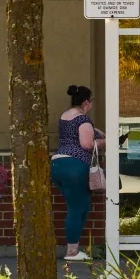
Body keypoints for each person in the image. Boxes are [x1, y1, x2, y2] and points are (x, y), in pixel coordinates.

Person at [51, 85, 100, 261]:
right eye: (92, 100)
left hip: (58, 164)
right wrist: (107, 141)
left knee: (82, 206)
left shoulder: (66, 116)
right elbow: (87, 144)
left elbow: (74, 134)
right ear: (86, 102)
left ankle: (74, 249)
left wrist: (97, 132)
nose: (92, 104)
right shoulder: (82, 120)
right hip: (74, 166)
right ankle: (72, 252)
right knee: (76, 208)